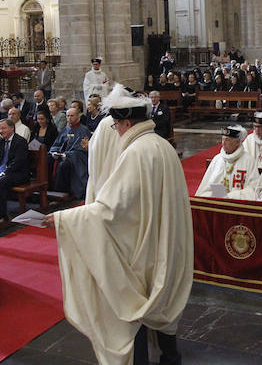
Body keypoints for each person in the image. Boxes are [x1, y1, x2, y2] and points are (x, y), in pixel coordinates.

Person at [45, 86, 192, 365]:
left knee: (133, 305)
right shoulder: (162, 146)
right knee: (159, 303)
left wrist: (63, 219)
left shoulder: (137, 152)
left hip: (142, 247)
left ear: (126, 122)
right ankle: (170, 357)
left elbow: (111, 209)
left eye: (116, 125)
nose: (115, 130)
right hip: (166, 241)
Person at [196, 125, 259, 199]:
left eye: (227, 140)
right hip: (217, 202)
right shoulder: (217, 159)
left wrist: (231, 196)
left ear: (237, 142)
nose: (223, 143)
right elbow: (205, 188)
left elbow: (253, 189)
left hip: (238, 204)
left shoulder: (248, 160)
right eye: (223, 139)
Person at [0, 119, 30, 221]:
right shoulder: (0, 141)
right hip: (1, 173)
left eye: (4, 128)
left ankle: (2, 215)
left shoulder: (20, 141)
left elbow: (18, 162)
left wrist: (2, 174)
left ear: (12, 128)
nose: (1, 131)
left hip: (17, 173)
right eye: (0, 129)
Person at [49, 107, 91, 199]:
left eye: (72, 116)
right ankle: (48, 190)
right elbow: (57, 144)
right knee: (48, 160)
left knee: (63, 165)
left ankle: (62, 192)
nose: (69, 118)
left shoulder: (84, 130)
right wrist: (54, 152)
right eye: (68, 116)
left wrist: (67, 155)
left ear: (78, 116)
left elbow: (83, 150)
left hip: (77, 159)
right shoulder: (66, 129)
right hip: (62, 156)